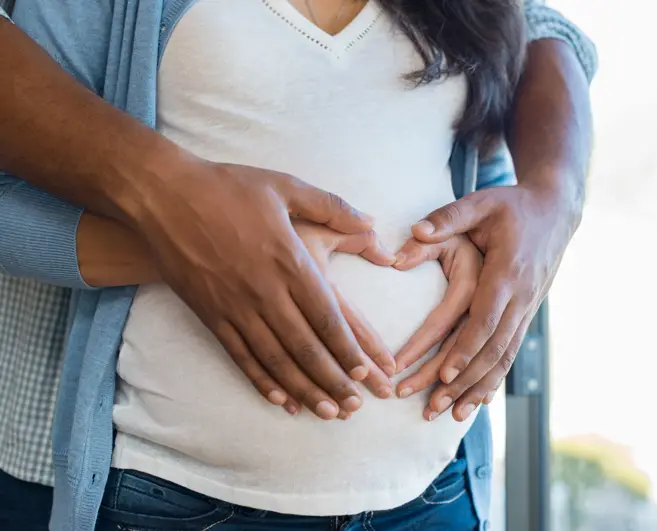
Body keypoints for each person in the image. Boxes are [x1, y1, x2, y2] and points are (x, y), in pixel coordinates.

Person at [0, 1, 595, 530]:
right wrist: (182, 244)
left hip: (433, 491)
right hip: (182, 496)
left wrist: (540, 209)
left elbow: (494, 135)